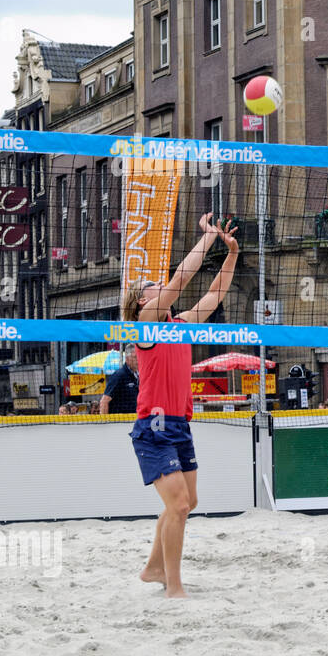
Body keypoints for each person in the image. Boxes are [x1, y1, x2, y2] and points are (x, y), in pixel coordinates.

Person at [121, 213, 239, 599]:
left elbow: (214, 296)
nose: (163, 288)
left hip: (179, 425)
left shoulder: (181, 323)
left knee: (187, 503)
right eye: (154, 286)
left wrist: (231, 254)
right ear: (143, 300)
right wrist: (207, 239)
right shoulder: (146, 324)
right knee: (181, 504)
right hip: (153, 429)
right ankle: (173, 586)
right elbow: (180, 281)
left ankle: (153, 568)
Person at [100, 345, 140, 416]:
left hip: (133, 420)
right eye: (135, 357)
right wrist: (104, 423)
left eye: (139, 357)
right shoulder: (119, 375)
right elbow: (104, 401)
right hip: (119, 423)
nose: (138, 360)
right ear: (127, 358)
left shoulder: (138, 375)